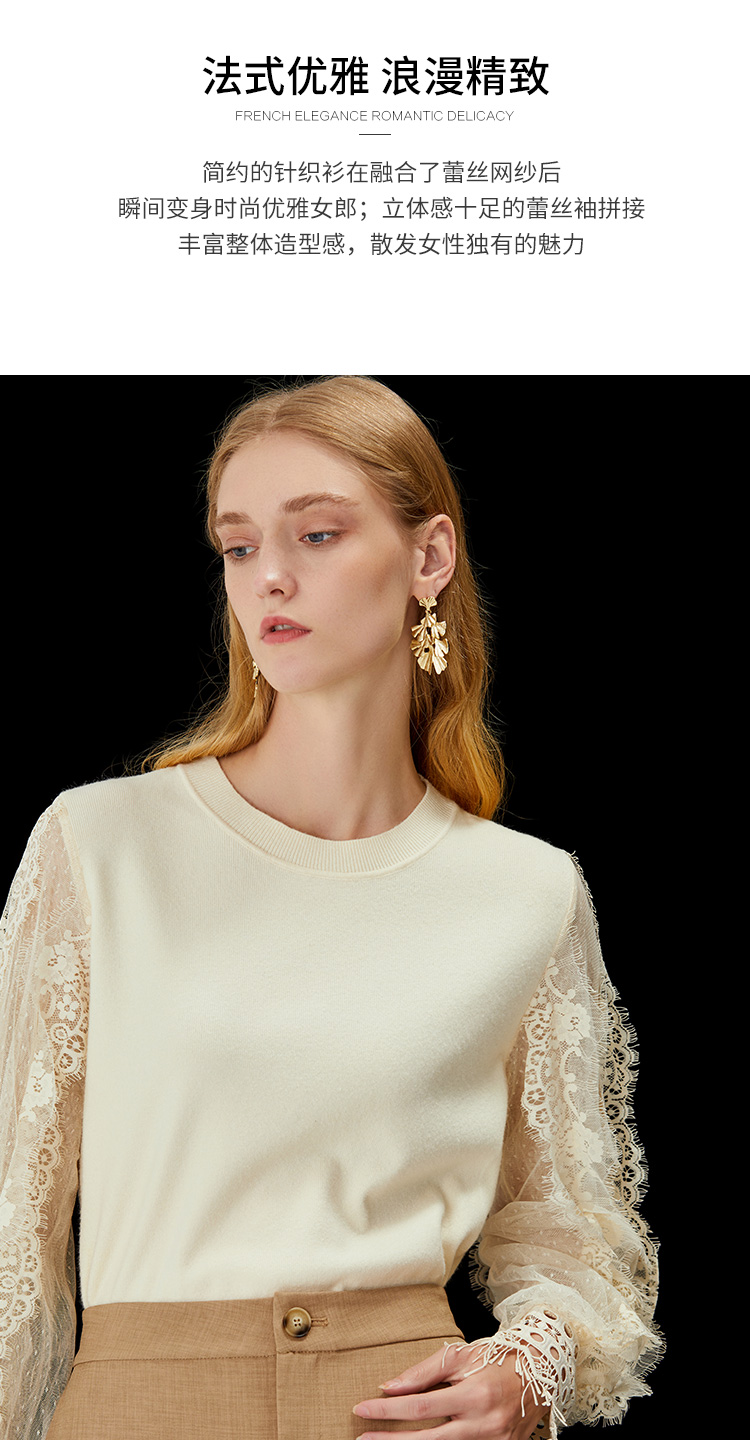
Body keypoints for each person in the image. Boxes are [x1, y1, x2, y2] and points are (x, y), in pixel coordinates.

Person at [0, 376, 663, 1440]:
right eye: (239, 545)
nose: (270, 576)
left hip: (403, 1416)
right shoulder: (100, 846)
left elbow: (568, 1233)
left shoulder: (527, 893)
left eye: (316, 534)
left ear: (430, 558)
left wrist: (529, 1368)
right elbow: (11, 1228)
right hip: (140, 1409)